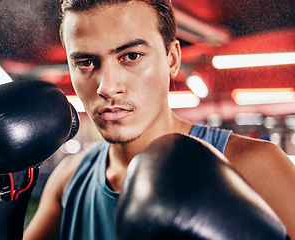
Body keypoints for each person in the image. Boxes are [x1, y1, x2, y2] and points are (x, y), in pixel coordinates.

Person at [21, 0, 295, 239]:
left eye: (131, 56)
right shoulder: (69, 179)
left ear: (172, 59)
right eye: (85, 62)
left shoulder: (255, 166)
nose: (106, 86)